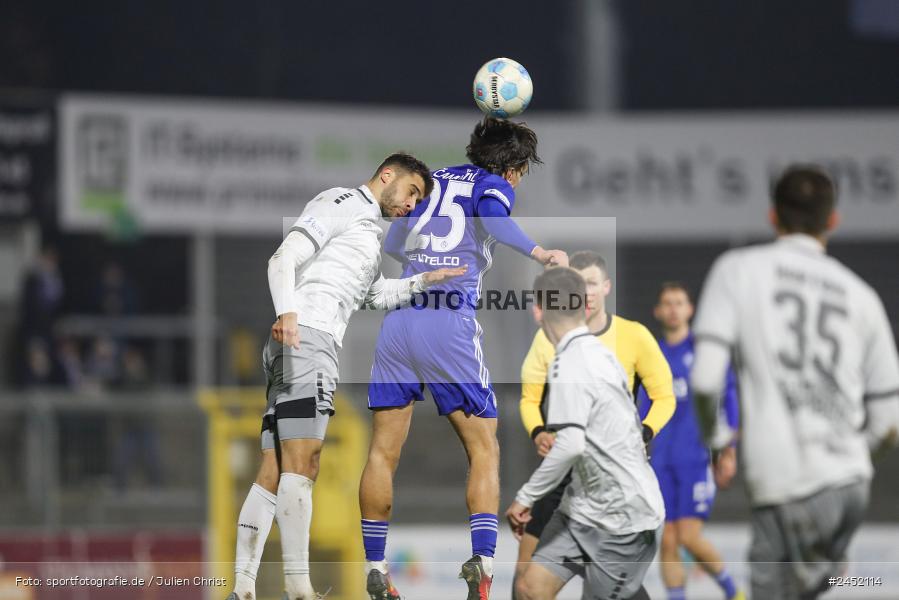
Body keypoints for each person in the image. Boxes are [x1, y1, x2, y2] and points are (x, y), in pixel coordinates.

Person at [224, 153, 466, 600]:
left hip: (301, 343)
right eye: (411, 191)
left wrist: (422, 280)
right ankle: (299, 589)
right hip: (306, 340)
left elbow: (370, 296)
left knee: (274, 469)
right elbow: (282, 259)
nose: (411, 205)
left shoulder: (368, 234)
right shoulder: (342, 202)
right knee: (305, 461)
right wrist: (288, 316)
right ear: (387, 175)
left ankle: (243, 588)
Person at [360, 117, 568, 600]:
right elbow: (494, 220)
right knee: (484, 447)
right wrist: (539, 252)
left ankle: (374, 563)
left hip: (399, 321)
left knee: (381, 453)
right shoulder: (493, 185)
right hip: (447, 323)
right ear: (514, 168)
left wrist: (422, 265)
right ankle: (482, 563)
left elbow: (392, 241)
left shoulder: (430, 181)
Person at [691, 165, 899, 599]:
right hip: (849, 486)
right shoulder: (862, 296)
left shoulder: (738, 270)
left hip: (788, 483)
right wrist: (849, 463)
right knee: (806, 587)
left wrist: (718, 438)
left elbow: (707, 379)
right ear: (832, 220)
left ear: (773, 216)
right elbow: (888, 422)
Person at [514, 250, 676, 596]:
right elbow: (532, 404)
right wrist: (539, 432)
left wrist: (525, 496)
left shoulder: (589, 354)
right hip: (580, 499)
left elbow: (572, 444)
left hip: (622, 512)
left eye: (590, 283)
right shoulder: (586, 350)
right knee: (528, 588)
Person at [639, 282, 743, 600]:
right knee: (668, 541)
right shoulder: (651, 354)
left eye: (679, 302)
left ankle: (734, 592)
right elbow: (642, 407)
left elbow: (729, 398)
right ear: (658, 311)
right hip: (660, 462)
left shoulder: (704, 352)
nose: (673, 308)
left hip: (697, 459)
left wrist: (729, 450)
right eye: (667, 303)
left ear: (690, 309)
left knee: (688, 536)